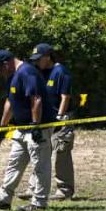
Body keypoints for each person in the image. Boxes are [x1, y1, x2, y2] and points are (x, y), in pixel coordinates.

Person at [0, 49, 56, 211]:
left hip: (37, 128)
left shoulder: (27, 72)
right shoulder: (12, 76)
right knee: (14, 163)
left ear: (6, 63)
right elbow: (10, 102)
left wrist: (36, 125)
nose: (0, 73)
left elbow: (36, 99)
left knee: (40, 165)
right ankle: (4, 198)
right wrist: (3, 126)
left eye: (0, 69)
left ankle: (39, 203)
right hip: (21, 129)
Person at [26, 43, 76, 200]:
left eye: (39, 59)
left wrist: (60, 118)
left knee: (61, 153)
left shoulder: (61, 72)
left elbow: (65, 97)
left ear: (48, 57)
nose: (36, 62)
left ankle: (64, 189)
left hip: (61, 120)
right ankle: (33, 187)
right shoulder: (41, 72)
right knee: (40, 153)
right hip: (46, 120)